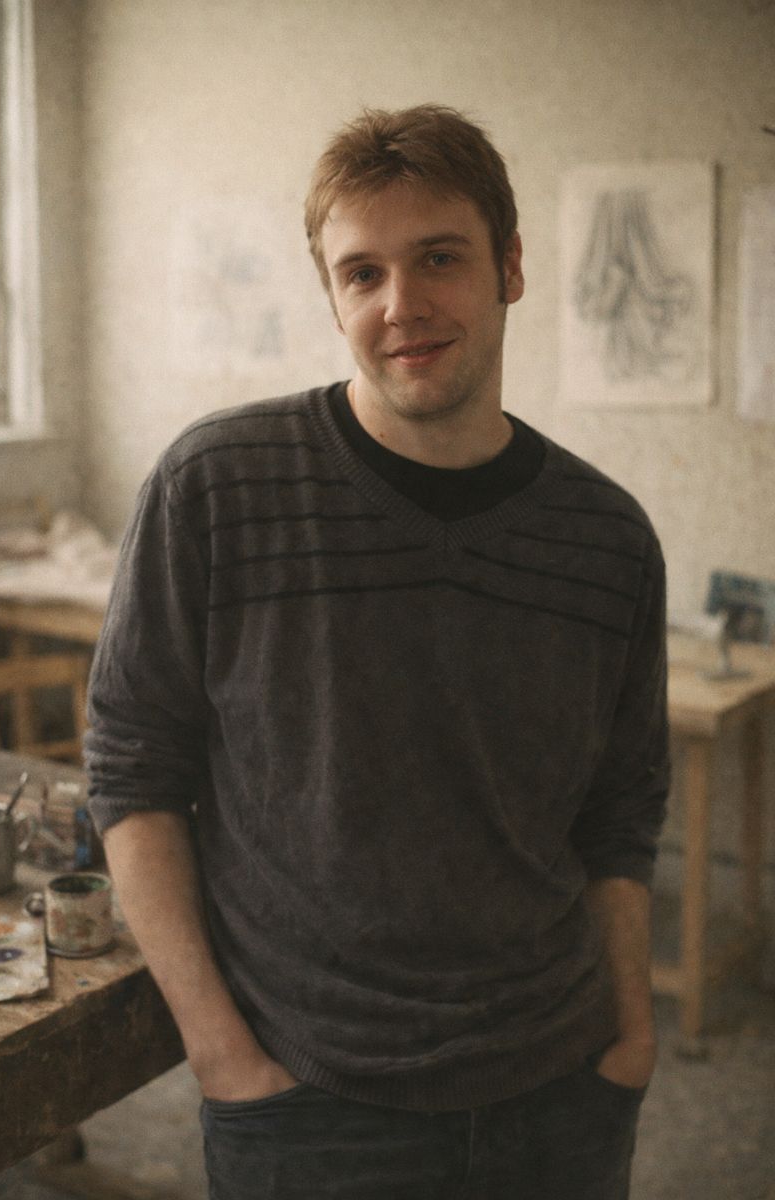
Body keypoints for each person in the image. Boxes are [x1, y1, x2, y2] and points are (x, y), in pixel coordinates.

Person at [85, 103, 669, 1199]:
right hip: (306, 1104)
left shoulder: (608, 538)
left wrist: (630, 1041)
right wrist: (222, 1055)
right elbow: (132, 769)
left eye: (439, 258)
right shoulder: (215, 486)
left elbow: (619, 810)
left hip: (559, 1092)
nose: (401, 305)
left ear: (509, 267)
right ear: (333, 296)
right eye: (362, 273)